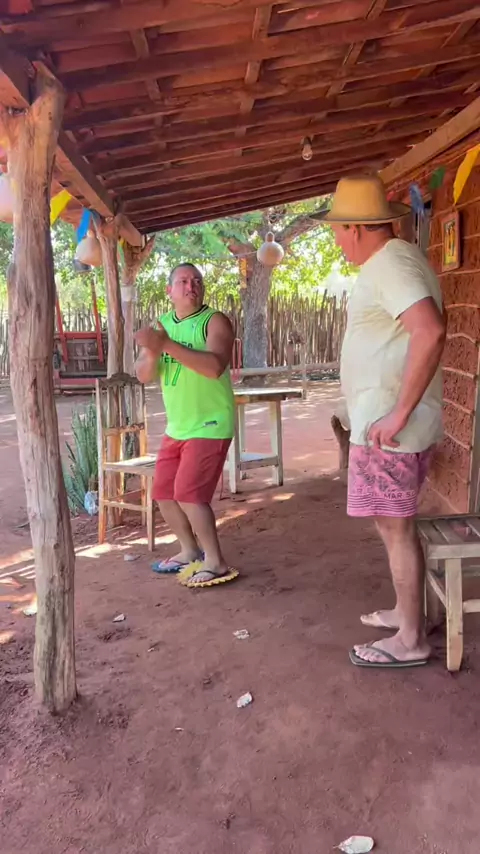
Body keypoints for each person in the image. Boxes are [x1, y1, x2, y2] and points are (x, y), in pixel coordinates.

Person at [323, 174, 446, 669]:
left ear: (354, 228)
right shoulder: (395, 261)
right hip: (388, 426)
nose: (337, 239)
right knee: (392, 523)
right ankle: (407, 613)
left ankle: (411, 639)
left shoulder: (391, 263)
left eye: (337, 229)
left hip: (391, 430)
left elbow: (429, 331)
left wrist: (399, 412)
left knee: (395, 526)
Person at [134, 263, 238, 589]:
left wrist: (164, 345)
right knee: (164, 493)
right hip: (177, 425)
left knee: (190, 495)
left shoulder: (215, 321)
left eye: (196, 281)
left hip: (210, 422)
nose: (191, 286)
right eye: (182, 281)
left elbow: (214, 366)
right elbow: (143, 374)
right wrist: (153, 350)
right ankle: (189, 550)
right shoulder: (162, 326)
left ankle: (215, 561)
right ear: (169, 291)